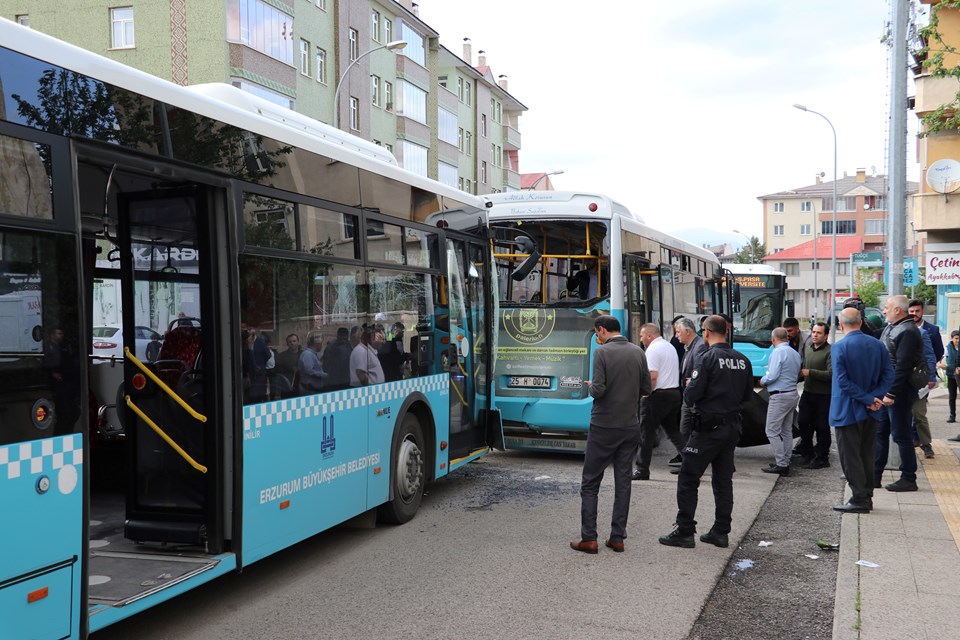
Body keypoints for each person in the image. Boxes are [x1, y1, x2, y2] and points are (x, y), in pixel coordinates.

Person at [658, 315, 754, 549]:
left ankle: (685, 530)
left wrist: (692, 388)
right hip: (731, 427)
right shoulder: (742, 360)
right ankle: (721, 531)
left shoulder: (706, 358)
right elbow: (748, 396)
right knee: (723, 481)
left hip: (707, 428)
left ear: (707, 332)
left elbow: (691, 396)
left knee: (688, 477)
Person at [571, 315, 650, 554]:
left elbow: (599, 390)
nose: (597, 338)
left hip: (604, 425)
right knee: (623, 482)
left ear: (602, 330)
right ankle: (617, 537)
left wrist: (590, 384)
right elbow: (647, 388)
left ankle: (589, 538)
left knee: (591, 482)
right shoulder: (638, 352)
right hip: (630, 425)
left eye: (597, 334)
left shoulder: (601, 353)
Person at [830, 308, 894, 513]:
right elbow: (889, 376)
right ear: (860, 322)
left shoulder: (840, 347)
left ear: (841, 325)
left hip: (847, 409)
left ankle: (859, 498)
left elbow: (842, 381)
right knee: (867, 454)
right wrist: (874, 398)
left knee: (850, 457)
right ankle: (866, 496)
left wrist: (867, 399)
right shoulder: (878, 345)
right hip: (873, 410)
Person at [876, 295, 924, 493]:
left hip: (899, 392)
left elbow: (903, 367)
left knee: (901, 434)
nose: (884, 311)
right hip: (888, 389)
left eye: (887, 307)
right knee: (880, 432)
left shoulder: (908, 331)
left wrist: (892, 393)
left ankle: (908, 477)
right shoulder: (893, 327)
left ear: (897, 310)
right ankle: (874, 474)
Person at [633, 323, 685, 480]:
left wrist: (645, 394)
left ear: (649, 335)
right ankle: (692, 463)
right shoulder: (668, 346)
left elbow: (652, 376)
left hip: (657, 396)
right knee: (673, 432)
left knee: (645, 434)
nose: (641, 339)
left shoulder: (653, 349)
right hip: (674, 394)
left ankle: (642, 470)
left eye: (642, 336)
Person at [760, 327, 803, 476]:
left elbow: (772, 375)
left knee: (771, 430)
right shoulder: (795, 353)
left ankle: (781, 463)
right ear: (787, 337)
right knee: (786, 430)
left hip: (779, 396)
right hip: (792, 393)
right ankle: (785, 459)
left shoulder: (777, 352)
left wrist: (763, 380)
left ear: (773, 339)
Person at [907, 299, 943, 459]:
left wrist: (930, 374)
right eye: (911, 311)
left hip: (921, 379)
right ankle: (910, 442)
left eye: (917, 311)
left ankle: (925, 444)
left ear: (922, 312)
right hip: (902, 380)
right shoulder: (898, 328)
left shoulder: (931, 330)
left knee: (919, 413)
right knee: (904, 414)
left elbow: (935, 353)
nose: (914, 314)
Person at [795, 322, 832, 469]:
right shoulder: (808, 348)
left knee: (822, 426)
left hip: (824, 395)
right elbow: (803, 369)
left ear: (826, 335)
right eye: (813, 332)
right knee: (803, 422)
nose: (815, 335)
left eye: (819, 333)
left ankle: (822, 457)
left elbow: (831, 374)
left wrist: (810, 372)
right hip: (808, 393)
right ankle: (807, 452)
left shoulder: (830, 351)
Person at [675, 316, 710, 443]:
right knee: (685, 429)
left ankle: (688, 456)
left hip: (694, 396)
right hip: (689, 395)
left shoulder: (699, 346)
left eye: (678, 332)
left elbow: (698, 371)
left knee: (687, 429)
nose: (676, 335)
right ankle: (685, 455)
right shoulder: (690, 346)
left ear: (687, 332)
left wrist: (692, 383)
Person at [44, 326, 81, 434]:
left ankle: (67, 431)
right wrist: (53, 373)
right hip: (59, 383)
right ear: (52, 335)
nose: (61, 335)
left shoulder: (63, 346)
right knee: (64, 412)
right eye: (58, 333)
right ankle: (60, 432)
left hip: (68, 381)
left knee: (73, 411)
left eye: (61, 333)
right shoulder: (48, 346)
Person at [940, 330, 960, 427]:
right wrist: (942, 365)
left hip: (959, 376)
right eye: (956, 338)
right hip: (951, 376)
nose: (958, 340)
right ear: (952, 338)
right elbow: (940, 359)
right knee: (952, 396)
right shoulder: (947, 348)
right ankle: (952, 415)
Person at [274, 333, 303, 398]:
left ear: (298, 342)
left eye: (294, 341)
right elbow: (277, 369)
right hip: (287, 387)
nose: (292, 343)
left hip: (302, 387)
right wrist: (290, 368)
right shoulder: (282, 356)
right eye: (290, 342)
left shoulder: (303, 354)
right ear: (287, 344)